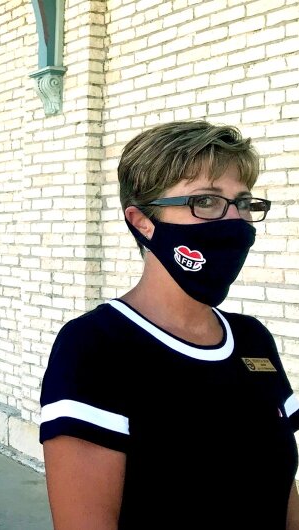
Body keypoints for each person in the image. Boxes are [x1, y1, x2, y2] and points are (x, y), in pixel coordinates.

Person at [39, 120, 299, 529]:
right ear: (143, 221)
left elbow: (285, 494)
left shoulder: (253, 339)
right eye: (207, 202)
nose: (235, 222)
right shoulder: (95, 346)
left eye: (243, 203)